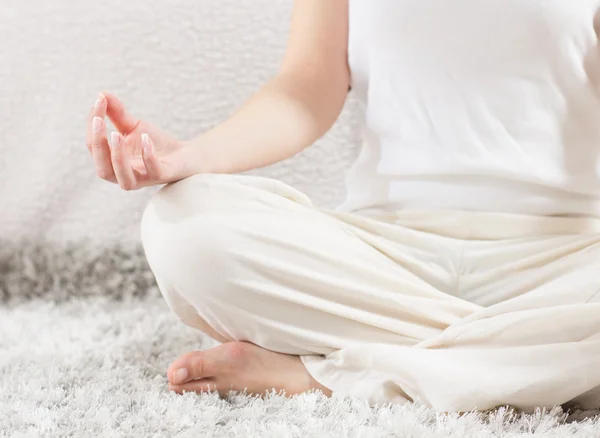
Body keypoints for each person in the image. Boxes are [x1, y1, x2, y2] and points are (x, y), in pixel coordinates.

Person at [84, 0, 600, 413]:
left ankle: (327, 377)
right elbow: (306, 88)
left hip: (560, 258)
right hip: (386, 260)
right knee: (183, 226)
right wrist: (188, 157)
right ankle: (539, 358)